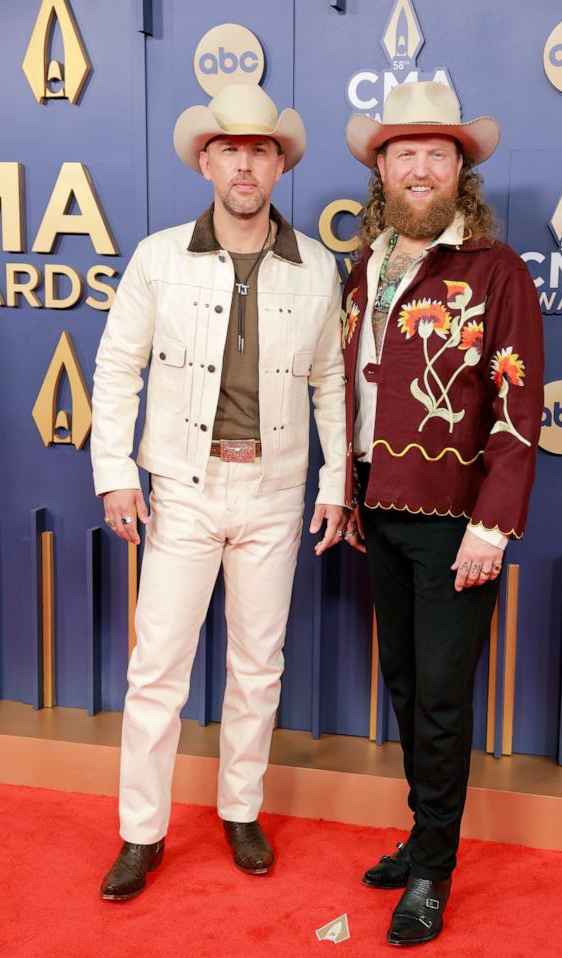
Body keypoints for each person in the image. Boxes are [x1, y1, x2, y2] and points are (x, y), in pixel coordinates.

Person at [91, 83, 347, 900]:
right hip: (181, 490)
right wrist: (115, 475)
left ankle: (241, 811)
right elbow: (115, 367)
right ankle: (142, 833)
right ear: (206, 160)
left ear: (278, 165)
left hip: (275, 491)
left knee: (256, 666)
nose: (245, 162)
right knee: (157, 667)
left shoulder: (317, 265)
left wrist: (336, 482)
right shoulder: (158, 256)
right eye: (229, 148)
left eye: (261, 149)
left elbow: (331, 383)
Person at [341, 81, 544, 945]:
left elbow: (518, 406)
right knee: (402, 684)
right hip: (376, 508)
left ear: (459, 171)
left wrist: (491, 526)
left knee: (439, 700)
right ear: (380, 170)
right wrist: (348, 495)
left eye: (436, 154)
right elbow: (350, 392)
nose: (418, 169)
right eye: (402, 154)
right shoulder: (370, 263)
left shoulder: (494, 271)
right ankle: (423, 834)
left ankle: (433, 869)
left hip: (454, 522)